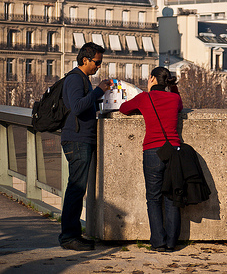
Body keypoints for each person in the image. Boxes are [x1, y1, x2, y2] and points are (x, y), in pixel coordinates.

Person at [119, 66, 183, 252]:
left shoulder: (144, 98)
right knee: (172, 197)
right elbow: (179, 104)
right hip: (174, 150)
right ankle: (172, 242)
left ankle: (158, 242)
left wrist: (147, 93)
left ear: (152, 79)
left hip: (153, 150)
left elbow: (124, 109)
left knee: (153, 199)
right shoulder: (174, 98)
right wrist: (173, 89)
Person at [59, 42, 111, 251]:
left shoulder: (83, 80)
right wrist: (99, 91)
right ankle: (69, 237)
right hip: (77, 139)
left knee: (77, 189)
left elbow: (85, 104)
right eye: (97, 63)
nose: (98, 66)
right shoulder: (74, 79)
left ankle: (72, 235)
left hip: (83, 138)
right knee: (76, 189)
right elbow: (77, 106)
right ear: (85, 60)